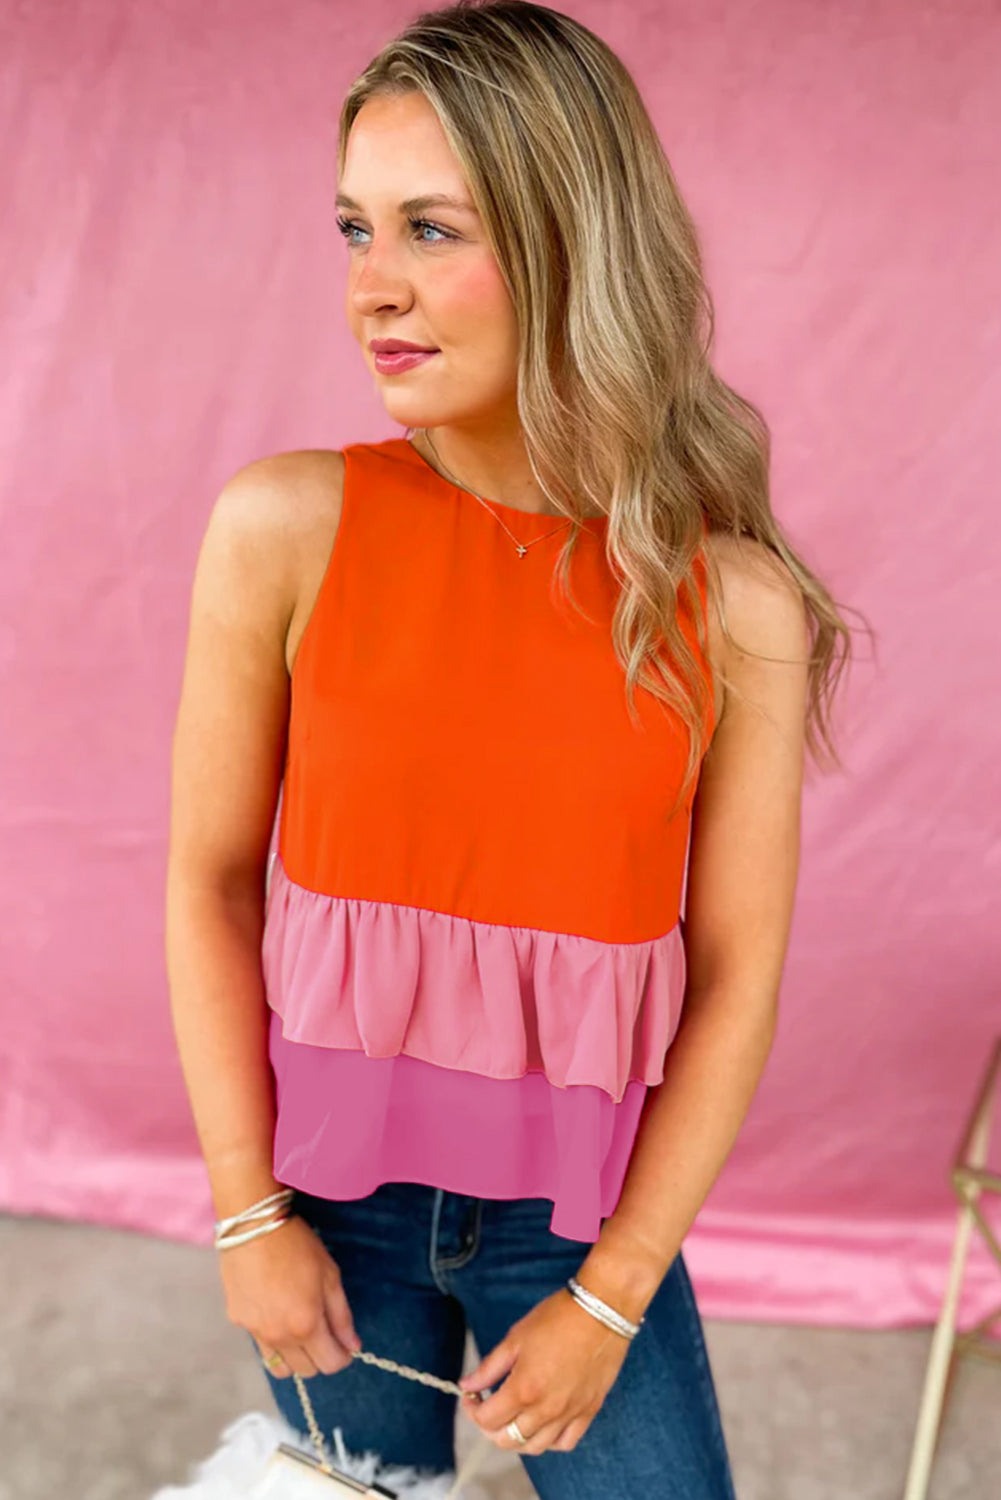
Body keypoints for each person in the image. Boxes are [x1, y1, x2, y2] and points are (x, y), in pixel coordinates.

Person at [165, 2, 857, 1495]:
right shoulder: (285, 527)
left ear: (569, 245)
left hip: (580, 1219)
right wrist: (242, 1212)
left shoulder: (726, 603)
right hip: (322, 1198)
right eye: (354, 229)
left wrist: (613, 1291)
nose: (374, 288)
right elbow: (212, 882)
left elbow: (735, 975)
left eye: (430, 229)